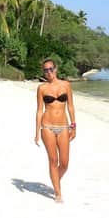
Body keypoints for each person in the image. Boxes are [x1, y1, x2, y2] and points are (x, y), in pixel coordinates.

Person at [34, 58, 76, 202]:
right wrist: (36, 132)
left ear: (56, 69)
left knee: (64, 163)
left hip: (63, 126)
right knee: (53, 160)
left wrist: (74, 126)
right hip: (47, 127)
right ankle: (58, 193)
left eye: (51, 69)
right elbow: (39, 110)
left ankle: (54, 180)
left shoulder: (66, 85)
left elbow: (70, 107)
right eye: (46, 70)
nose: (49, 72)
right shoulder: (42, 88)